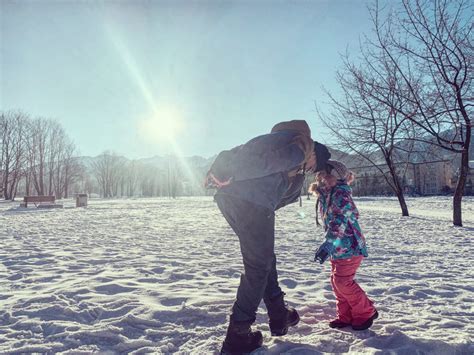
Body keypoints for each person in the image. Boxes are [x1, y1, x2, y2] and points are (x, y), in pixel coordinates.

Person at [205, 120, 331, 354]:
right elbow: (261, 165)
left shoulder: (274, 144)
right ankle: (238, 335)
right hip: (251, 202)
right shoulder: (301, 147)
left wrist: (227, 176)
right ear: (314, 151)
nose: (312, 169)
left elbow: (265, 175)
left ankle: (278, 314)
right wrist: (232, 174)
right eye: (316, 164)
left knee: (263, 260)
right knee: (258, 267)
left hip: (233, 201)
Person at [309, 160, 378, 331]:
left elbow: (339, 220)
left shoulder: (341, 194)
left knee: (343, 282)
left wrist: (328, 244)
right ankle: (346, 316)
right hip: (339, 247)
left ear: (338, 178)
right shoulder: (328, 193)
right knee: (336, 282)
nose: (324, 179)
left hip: (350, 246)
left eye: (328, 176)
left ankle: (366, 312)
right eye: (322, 175)